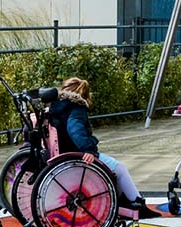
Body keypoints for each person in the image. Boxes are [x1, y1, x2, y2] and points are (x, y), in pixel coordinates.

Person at [48, 77, 162, 219]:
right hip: (78, 153)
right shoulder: (76, 108)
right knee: (119, 169)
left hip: (63, 153)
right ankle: (137, 204)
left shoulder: (55, 107)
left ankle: (126, 201)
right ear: (84, 95)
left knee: (114, 169)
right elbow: (75, 130)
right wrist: (88, 149)